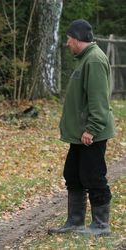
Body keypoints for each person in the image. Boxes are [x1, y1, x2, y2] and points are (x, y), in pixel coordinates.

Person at [48, 19, 115, 236]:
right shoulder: (84, 59)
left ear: (77, 39)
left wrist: (92, 128)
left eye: (68, 39)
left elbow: (98, 101)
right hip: (81, 134)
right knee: (73, 174)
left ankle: (101, 225)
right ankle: (75, 222)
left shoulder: (94, 60)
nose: (67, 43)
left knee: (93, 176)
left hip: (91, 134)